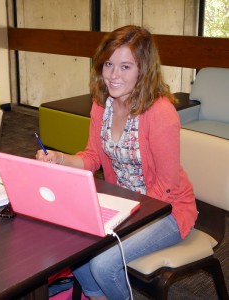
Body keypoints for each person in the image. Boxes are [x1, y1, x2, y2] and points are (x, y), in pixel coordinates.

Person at [36, 25, 197, 300]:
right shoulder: (102, 104)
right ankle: (97, 295)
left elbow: (167, 189)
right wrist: (60, 159)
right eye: (108, 64)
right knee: (71, 244)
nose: (112, 75)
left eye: (125, 67)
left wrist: (122, 221)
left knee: (104, 263)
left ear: (143, 69)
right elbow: (93, 157)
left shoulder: (160, 113)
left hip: (166, 211)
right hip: (122, 206)